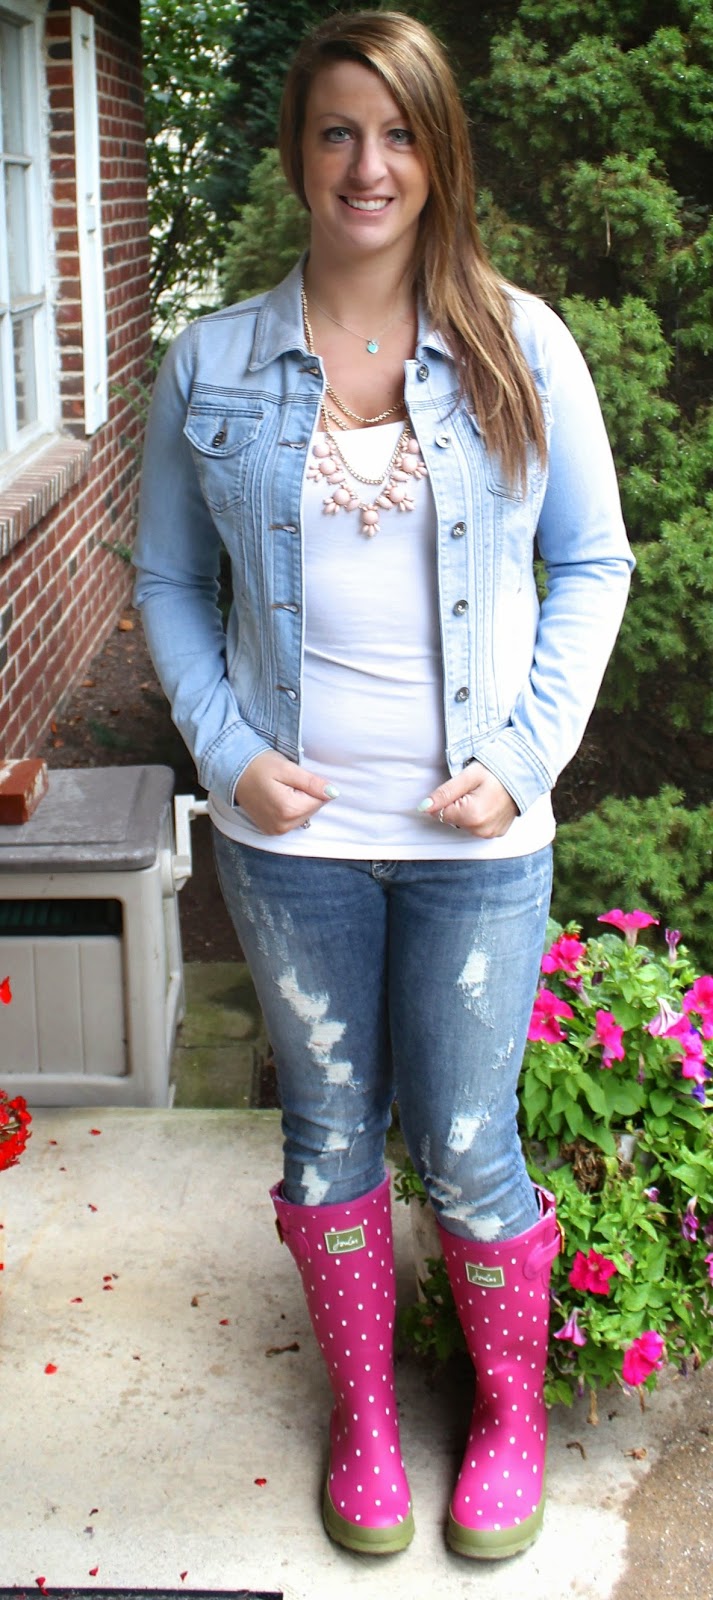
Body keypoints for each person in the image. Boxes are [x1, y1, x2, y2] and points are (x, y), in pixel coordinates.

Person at [134, 8, 634, 1563]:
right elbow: (165, 580)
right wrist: (227, 750)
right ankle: (362, 1418)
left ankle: (504, 1418)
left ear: (439, 154)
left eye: (400, 131)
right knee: (327, 1137)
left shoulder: (520, 344)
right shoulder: (211, 361)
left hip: (477, 843)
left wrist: (522, 755)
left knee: (470, 1141)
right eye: (338, 131)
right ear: (298, 153)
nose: (369, 164)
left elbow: (590, 563)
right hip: (291, 845)